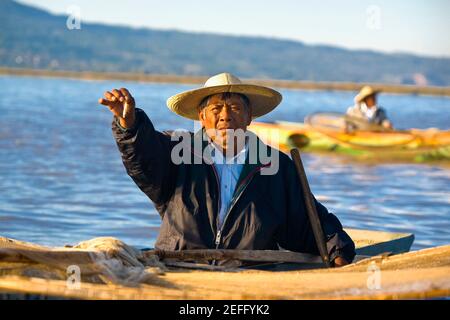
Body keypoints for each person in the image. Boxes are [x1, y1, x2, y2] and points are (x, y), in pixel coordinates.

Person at [98, 73, 355, 267]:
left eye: (234, 108)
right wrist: (129, 123)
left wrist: (337, 251)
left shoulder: (275, 165)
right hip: (181, 266)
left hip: (251, 273)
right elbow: (143, 156)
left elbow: (306, 218)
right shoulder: (177, 151)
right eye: (216, 109)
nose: (225, 116)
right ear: (202, 117)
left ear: (249, 117)